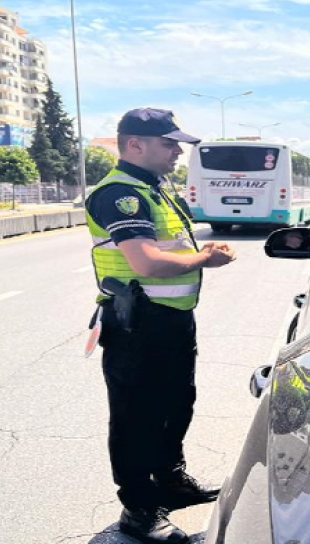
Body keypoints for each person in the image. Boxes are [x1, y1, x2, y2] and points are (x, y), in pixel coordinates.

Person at [85, 107, 236, 544]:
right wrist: (206, 258)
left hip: (170, 321)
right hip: (137, 325)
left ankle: (170, 482)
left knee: (176, 404)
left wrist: (199, 252)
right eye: (169, 143)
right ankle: (139, 509)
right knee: (136, 417)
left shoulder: (152, 188)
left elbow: (167, 246)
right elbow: (146, 260)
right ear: (135, 144)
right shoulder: (119, 193)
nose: (177, 152)